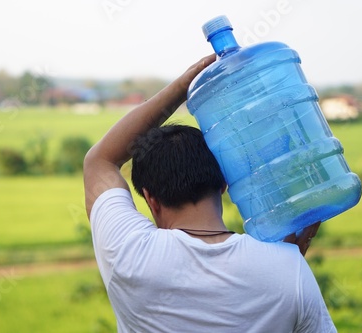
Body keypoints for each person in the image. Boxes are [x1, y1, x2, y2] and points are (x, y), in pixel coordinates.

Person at [83, 54, 336, 332]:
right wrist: (285, 271)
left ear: (151, 199)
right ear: (224, 184)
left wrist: (181, 88)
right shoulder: (289, 268)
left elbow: (100, 161)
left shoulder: (128, 255)